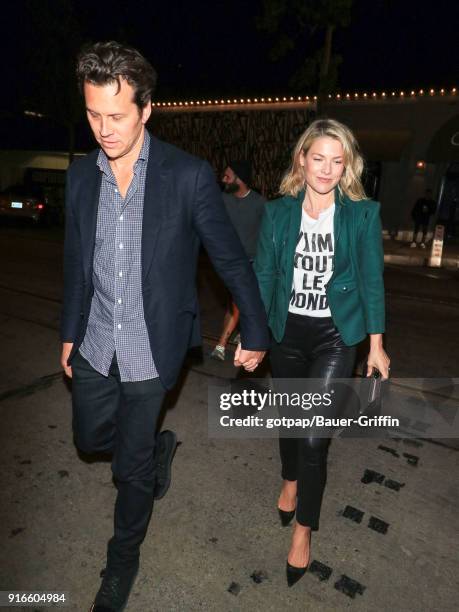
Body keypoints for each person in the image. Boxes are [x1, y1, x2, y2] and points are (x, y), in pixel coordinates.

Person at [60, 41, 268, 612]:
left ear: (147, 108)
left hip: (153, 346)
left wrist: (255, 327)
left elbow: (229, 259)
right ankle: (153, 449)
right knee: (88, 439)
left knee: (129, 474)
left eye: (117, 116)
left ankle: (119, 565)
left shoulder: (187, 176)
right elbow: (77, 262)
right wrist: (69, 332)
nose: (103, 129)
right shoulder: (80, 179)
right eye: (93, 114)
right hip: (97, 342)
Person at [254, 118, 390, 587]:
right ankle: (289, 478)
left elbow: (372, 280)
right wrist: (253, 337)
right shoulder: (277, 213)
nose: (328, 169)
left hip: (336, 337)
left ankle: (303, 532)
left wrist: (376, 344)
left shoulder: (362, 214)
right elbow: (265, 276)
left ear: (347, 165)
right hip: (286, 334)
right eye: (319, 158)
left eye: (338, 160)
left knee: (314, 437)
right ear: (302, 159)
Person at [211, 161, 266, 360]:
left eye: (227, 176)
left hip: (252, 264)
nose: (223, 180)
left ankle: (221, 345)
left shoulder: (259, 204)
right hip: (230, 263)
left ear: (239, 179)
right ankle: (243, 334)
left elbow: (269, 235)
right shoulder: (223, 200)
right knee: (234, 304)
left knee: (238, 303)